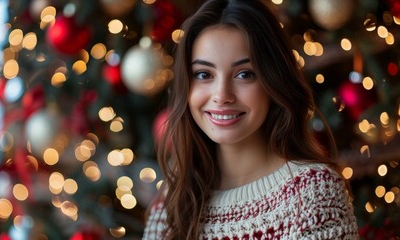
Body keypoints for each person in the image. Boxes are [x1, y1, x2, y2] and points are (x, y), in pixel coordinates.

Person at [143, 0, 359, 239]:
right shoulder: (175, 198)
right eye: (204, 74)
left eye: (244, 74)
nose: (222, 96)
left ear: (273, 82)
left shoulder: (313, 194)